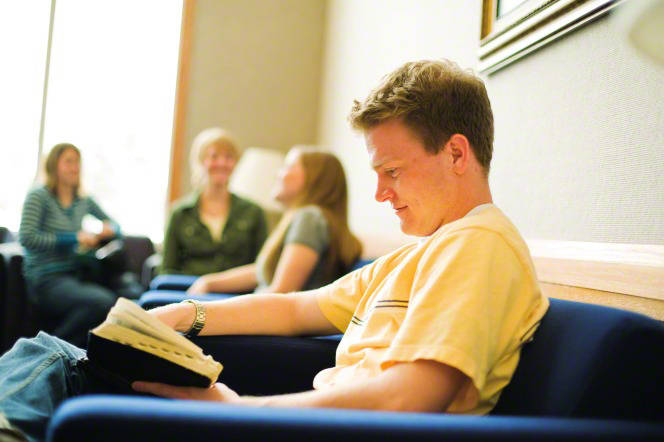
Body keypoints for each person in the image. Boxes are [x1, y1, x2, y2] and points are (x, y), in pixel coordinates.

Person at [0, 60, 549, 442]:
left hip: (298, 429)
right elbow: (293, 308)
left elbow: (408, 399)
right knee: (47, 357)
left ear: (456, 153)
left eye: (392, 171)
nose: (380, 193)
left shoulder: (481, 246)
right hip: (292, 420)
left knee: (49, 366)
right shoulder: (419, 255)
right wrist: (185, 315)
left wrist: (241, 411)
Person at [187, 146, 363, 295]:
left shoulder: (309, 219)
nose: (276, 174)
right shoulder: (305, 217)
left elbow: (281, 293)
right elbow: (262, 271)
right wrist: (210, 282)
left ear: (313, 177)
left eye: (287, 166)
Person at [17, 143, 121, 348]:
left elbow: (116, 226)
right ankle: (45, 349)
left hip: (72, 273)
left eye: (77, 162)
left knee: (116, 300)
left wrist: (107, 230)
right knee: (101, 302)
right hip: (45, 278)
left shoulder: (82, 199)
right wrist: (74, 238)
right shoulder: (39, 196)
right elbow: (27, 237)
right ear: (54, 165)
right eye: (69, 162)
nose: (75, 167)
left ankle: (72, 355)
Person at [160, 128, 268, 276]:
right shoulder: (180, 213)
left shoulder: (253, 212)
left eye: (229, 157)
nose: (222, 163)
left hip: (237, 296)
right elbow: (167, 269)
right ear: (200, 161)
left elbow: (263, 268)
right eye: (214, 156)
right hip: (188, 294)